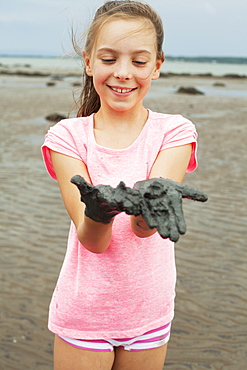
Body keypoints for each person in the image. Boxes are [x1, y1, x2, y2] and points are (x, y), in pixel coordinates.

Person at [41, 1, 207, 369]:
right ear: (88, 62)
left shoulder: (175, 132)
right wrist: (100, 212)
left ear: (157, 66)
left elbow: (143, 230)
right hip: (84, 314)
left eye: (138, 61)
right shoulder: (66, 137)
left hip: (149, 312)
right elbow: (93, 241)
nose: (122, 73)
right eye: (109, 58)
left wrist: (151, 207)